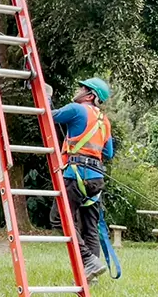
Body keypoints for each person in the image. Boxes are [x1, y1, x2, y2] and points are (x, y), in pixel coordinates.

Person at [47, 77, 113, 281]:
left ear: (91, 95)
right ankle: (91, 273)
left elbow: (50, 116)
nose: (78, 90)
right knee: (90, 227)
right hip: (96, 180)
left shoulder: (76, 109)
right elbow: (108, 153)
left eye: (82, 88)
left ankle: (88, 260)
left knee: (58, 218)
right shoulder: (104, 121)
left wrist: (47, 96)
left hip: (76, 176)